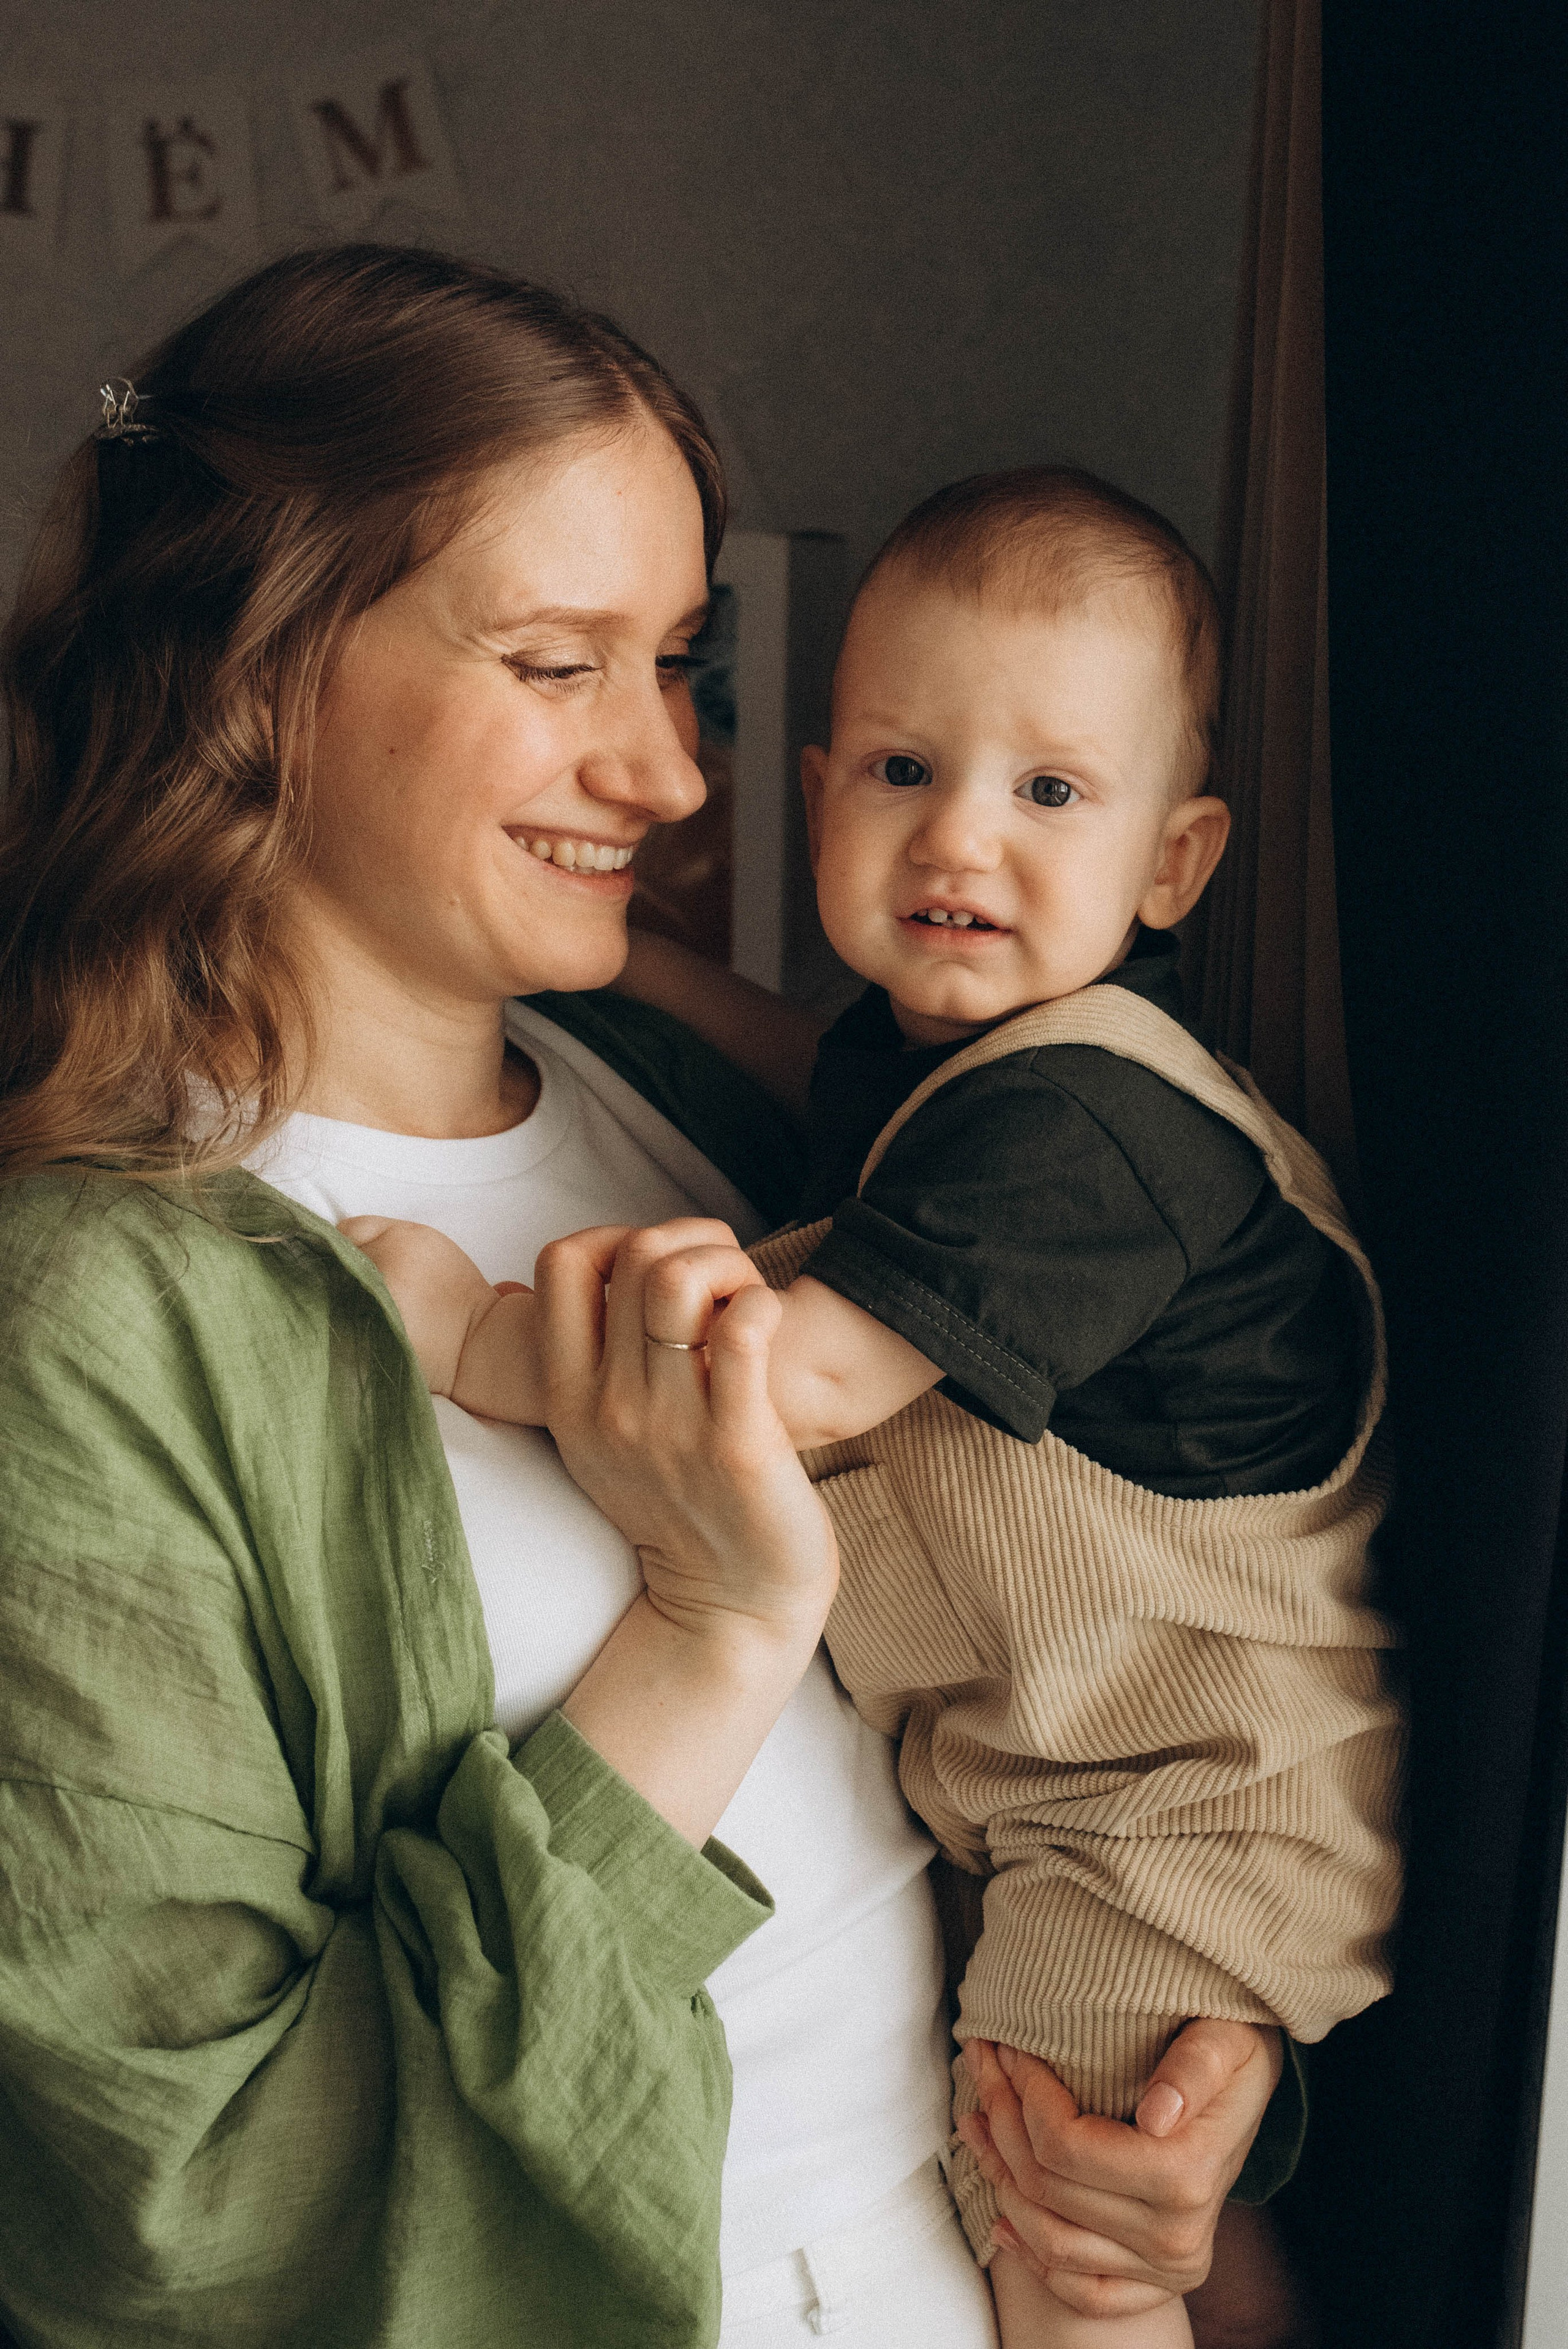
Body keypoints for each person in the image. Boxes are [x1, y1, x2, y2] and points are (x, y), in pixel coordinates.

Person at [0, 251, 1289, 2349]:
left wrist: (1170, 2076)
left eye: (676, 663)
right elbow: (187, 2218)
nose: (674, 777)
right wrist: (701, 1634)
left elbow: (1025, 1656)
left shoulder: (702, 1107)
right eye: (557, 663)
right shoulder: (87, 1319)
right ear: (258, 671)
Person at [356, 466, 1403, 2347]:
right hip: (1078, 1778)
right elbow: (797, 1060)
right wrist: (631, 961)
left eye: (1052, 793)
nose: (963, 843)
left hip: (1171, 1800)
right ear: (826, 786)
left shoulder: (1086, 1129)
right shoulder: (931, 1059)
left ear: (1175, 864)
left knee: (1071, 2231)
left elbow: (785, 1377)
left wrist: (473, 1330)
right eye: (905, 773)